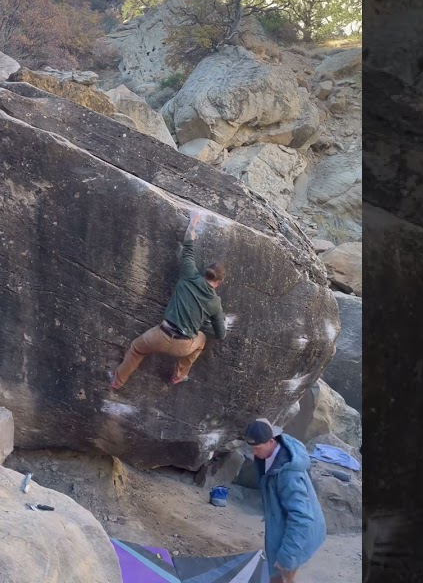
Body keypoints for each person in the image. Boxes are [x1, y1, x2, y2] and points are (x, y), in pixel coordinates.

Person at [110, 210, 227, 389]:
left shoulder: (189, 274)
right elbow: (220, 334)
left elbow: (188, 246)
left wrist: (193, 222)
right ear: (219, 283)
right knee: (201, 339)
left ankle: (117, 382)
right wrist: (203, 324)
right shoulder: (215, 303)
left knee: (136, 349)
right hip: (184, 345)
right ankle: (179, 375)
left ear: (205, 272)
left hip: (160, 335)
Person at [244, 419, 326, 583]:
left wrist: (286, 556)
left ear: (271, 441)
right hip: (288, 527)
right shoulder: (273, 447)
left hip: (299, 534)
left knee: (282, 576)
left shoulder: (288, 476)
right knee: (278, 576)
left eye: (257, 448)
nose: (253, 453)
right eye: (251, 448)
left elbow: (302, 518)